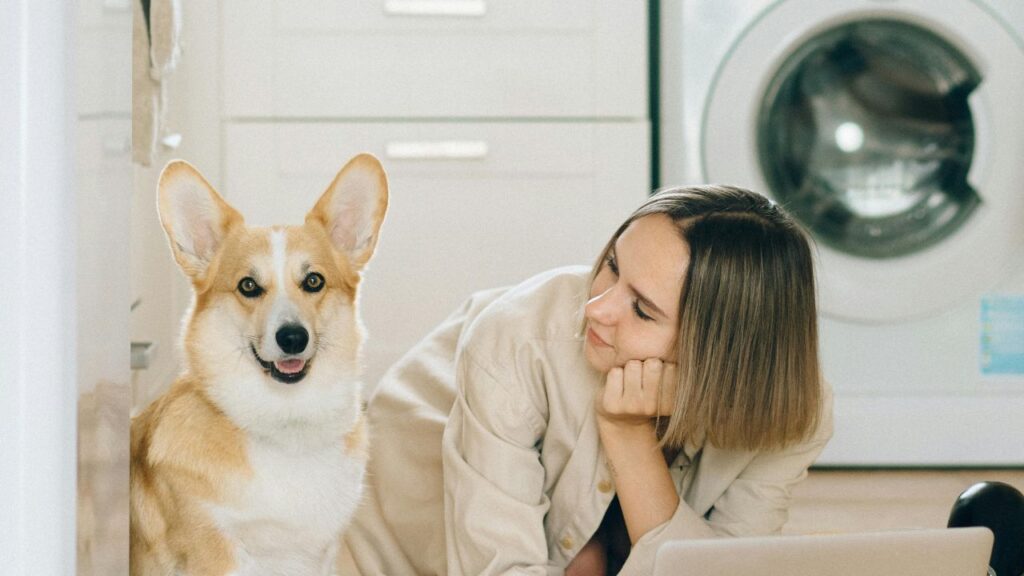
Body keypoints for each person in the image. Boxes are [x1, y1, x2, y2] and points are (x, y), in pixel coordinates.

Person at [339, 185, 834, 575]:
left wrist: (626, 433)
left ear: (721, 352)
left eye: (641, 309)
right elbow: (498, 566)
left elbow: (727, 571)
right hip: (411, 503)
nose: (597, 308)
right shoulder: (516, 341)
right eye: (613, 265)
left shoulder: (793, 414)